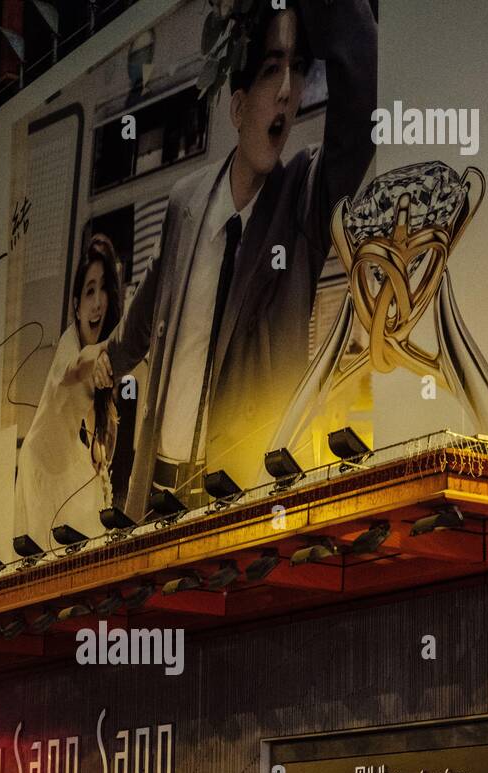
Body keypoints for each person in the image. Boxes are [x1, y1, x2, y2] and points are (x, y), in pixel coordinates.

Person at [80, 0, 378, 518]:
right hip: (158, 494)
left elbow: (360, 109)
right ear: (239, 108)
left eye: (297, 70)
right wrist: (105, 363)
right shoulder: (186, 201)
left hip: (249, 497)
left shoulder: (303, 199)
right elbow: (149, 307)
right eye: (270, 70)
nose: (287, 90)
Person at [14, 233, 132, 548]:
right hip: (42, 465)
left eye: (104, 289)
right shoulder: (73, 348)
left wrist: (99, 450)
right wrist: (112, 347)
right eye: (89, 291)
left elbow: (95, 415)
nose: (97, 303)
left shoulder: (98, 355)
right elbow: (74, 369)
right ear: (77, 305)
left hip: (65, 464)